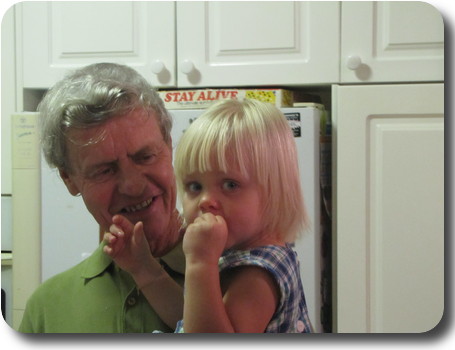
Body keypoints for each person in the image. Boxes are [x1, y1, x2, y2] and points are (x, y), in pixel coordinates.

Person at [105, 99, 312, 333]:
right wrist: (143, 267)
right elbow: (188, 318)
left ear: (275, 191)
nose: (205, 201)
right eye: (194, 186)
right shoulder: (247, 255)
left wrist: (200, 262)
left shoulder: (256, 276)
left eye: (230, 185)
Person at [18, 62, 184, 333]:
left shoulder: (240, 280)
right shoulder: (47, 308)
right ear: (69, 179)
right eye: (104, 170)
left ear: (169, 145)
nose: (133, 185)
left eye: (145, 156)